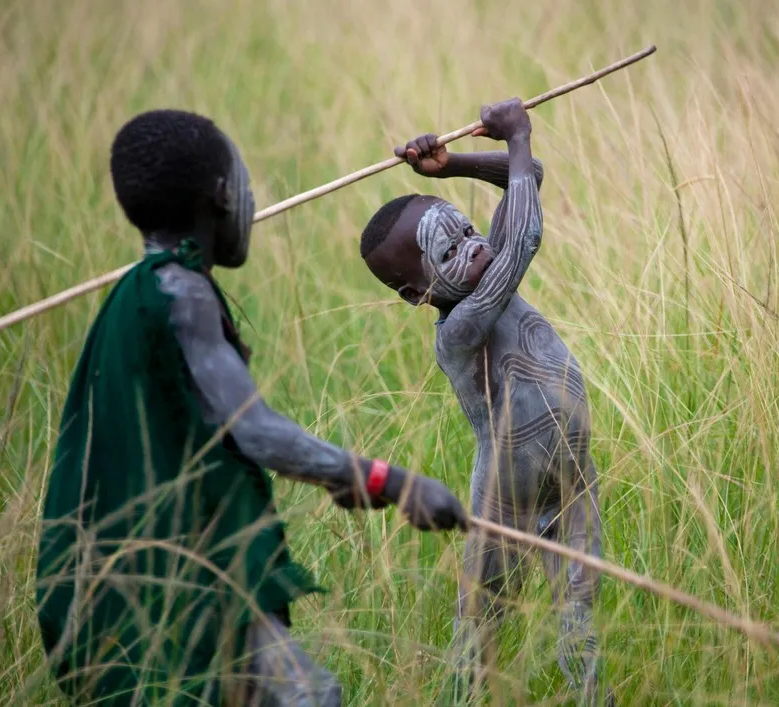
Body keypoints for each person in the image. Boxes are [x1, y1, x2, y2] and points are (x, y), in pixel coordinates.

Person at [35, 108, 469, 707]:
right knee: (310, 698)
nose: (252, 199)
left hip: (155, 572)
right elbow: (257, 431)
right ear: (219, 197)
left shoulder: (140, 291)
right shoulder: (180, 292)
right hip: (193, 575)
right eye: (244, 181)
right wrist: (390, 481)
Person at [358, 98, 610, 705]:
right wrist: (516, 133)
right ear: (419, 294)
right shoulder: (460, 326)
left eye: (468, 231)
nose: (473, 249)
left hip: (568, 466)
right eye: (449, 253)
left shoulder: (481, 265)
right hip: (508, 485)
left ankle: (591, 696)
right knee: (485, 615)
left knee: (578, 598)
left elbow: (531, 179)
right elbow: (524, 231)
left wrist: (451, 168)